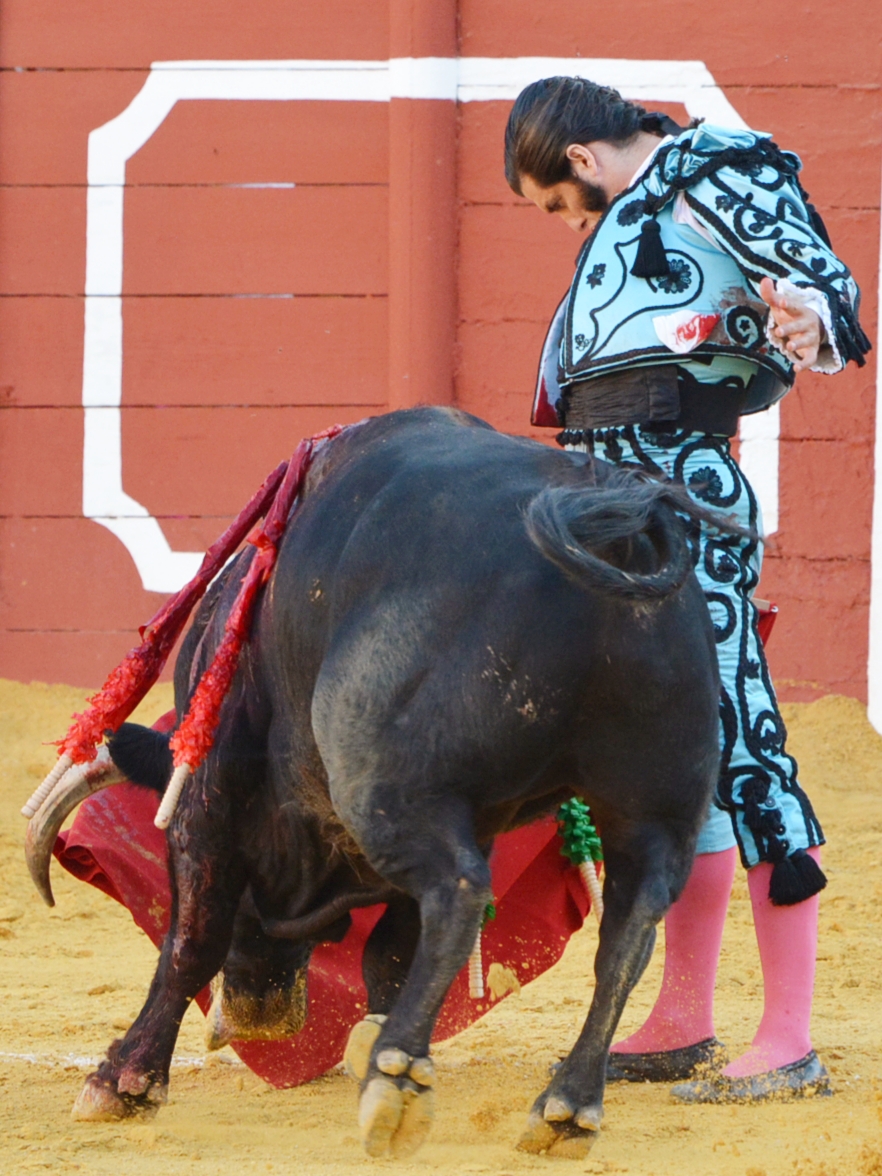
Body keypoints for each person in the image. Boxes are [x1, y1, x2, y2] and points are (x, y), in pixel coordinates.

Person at [505, 76, 870, 1103]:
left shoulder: (716, 168)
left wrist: (804, 319)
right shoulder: (644, 206)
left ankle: (790, 1037)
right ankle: (683, 1016)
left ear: (577, 160)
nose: (567, 226)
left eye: (555, 205)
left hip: (682, 492)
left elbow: (818, 285)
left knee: (740, 737)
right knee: (679, 757)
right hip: (609, 496)